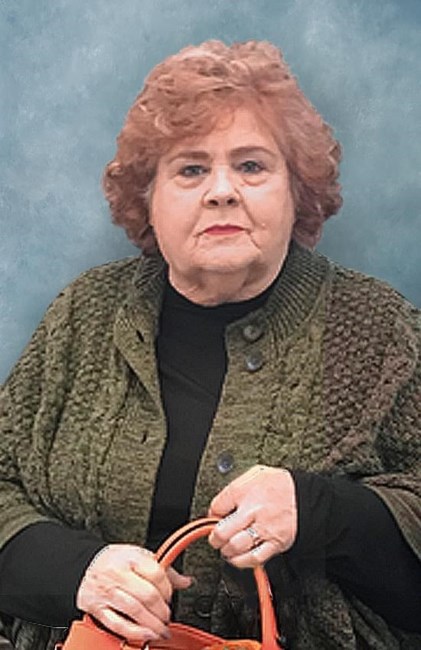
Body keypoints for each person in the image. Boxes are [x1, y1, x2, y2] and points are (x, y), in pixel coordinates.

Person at [0, 39, 420, 650]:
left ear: (297, 191)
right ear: (148, 199)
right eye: (191, 170)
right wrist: (77, 572)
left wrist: (318, 512)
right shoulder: (86, 313)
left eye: (251, 166)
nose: (221, 191)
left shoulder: (378, 329)